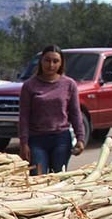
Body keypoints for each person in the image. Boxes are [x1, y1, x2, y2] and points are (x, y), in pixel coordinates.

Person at [18, 45, 85, 175]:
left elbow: (75, 113)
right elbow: (24, 116)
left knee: (58, 176)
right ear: (41, 61)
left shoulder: (69, 84)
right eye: (47, 60)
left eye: (55, 61)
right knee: (38, 178)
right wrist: (23, 143)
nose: (51, 65)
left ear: (61, 64)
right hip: (36, 140)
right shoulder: (29, 86)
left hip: (61, 139)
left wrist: (80, 138)